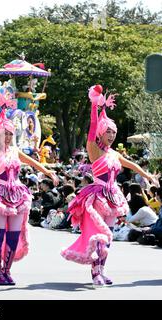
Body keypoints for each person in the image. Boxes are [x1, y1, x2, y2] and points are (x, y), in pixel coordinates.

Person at [61, 85, 159, 286]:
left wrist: (147, 174)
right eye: (108, 132)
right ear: (100, 132)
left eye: (114, 132)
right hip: (97, 195)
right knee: (99, 235)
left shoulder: (114, 154)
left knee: (109, 236)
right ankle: (95, 273)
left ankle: (102, 270)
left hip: (113, 196)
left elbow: (130, 164)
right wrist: (94, 105)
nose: (112, 135)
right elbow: (91, 127)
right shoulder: (94, 150)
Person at [0, 84, 59, 285]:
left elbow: (32, 162)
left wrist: (48, 171)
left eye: (10, 133)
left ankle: (7, 270)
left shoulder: (14, 151)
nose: (8, 136)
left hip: (18, 194)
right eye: (5, 133)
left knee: (14, 235)